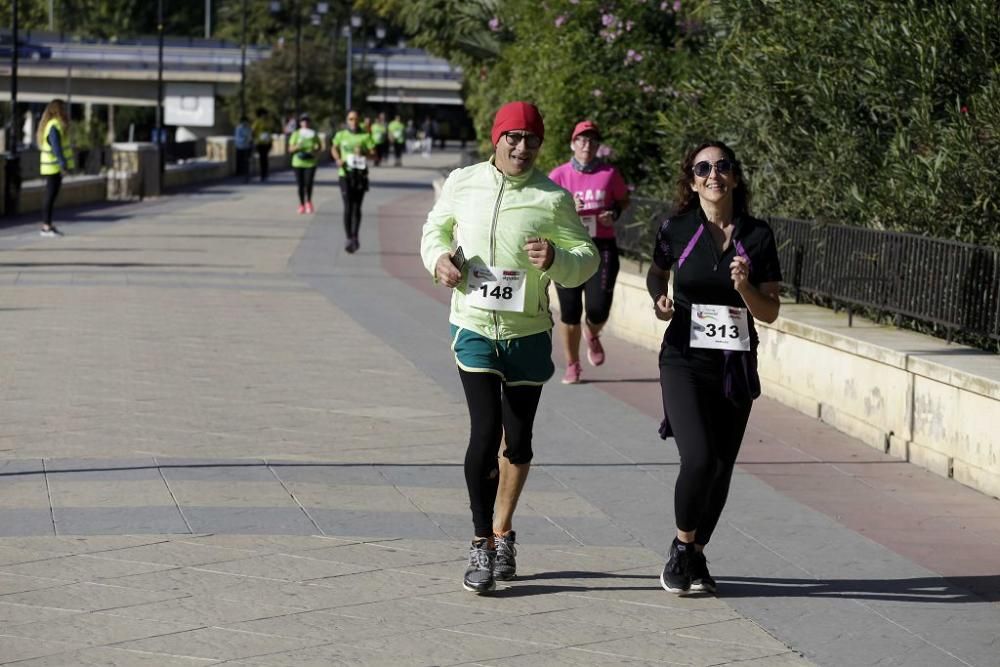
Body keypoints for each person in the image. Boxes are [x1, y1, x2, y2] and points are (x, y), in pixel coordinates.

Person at [420, 101, 599, 594]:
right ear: (496, 139)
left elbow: (587, 258)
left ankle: (502, 532)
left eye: (532, 140)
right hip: (474, 327)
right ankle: (480, 541)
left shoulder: (552, 198)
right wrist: (438, 259)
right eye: (513, 138)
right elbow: (434, 228)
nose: (522, 148)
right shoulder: (464, 182)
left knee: (516, 443)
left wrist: (559, 258)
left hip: (526, 334)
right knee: (485, 433)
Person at [646, 141, 782, 595]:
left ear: (735, 177)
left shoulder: (758, 235)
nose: (713, 174)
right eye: (703, 168)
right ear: (691, 181)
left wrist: (745, 288)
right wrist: (659, 299)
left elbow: (770, 312)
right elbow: (656, 271)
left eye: (722, 166)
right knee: (699, 457)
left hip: (735, 366)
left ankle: (696, 554)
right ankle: (682, 548)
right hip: (684, 358)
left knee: (721, 467)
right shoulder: (677, 228)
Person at [548, 120, 630, 384]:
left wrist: (612, 213)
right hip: (567, 248)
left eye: (593, 141)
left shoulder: (609, 174)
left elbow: (623, 200)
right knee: (569, 312)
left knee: (598, 309)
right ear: (573, 144)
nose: (587, 145)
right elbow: (544, 211)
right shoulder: (558, 176)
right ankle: (573, 365)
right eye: (582, 140)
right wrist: (567, 206)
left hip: (601, 246)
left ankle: (592, 332)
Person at [331, 110, 376, 253]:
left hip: (360, 176)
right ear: (347, 121)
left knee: (357, 207)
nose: (353, 122)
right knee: (347, 206)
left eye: (356, 119)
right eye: (351, 119)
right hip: (345, 174)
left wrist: (363, 152)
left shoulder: (365, 136)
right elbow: (333, 147)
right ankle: (348, 237)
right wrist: (338, 159)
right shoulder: (341, 135)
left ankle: (355, 235)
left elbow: (374, 154)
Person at [37, 99, 75, 237]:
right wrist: (62, 163)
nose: (66, 111)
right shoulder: (54, 126)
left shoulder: (53, 125)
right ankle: (46, 227)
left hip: (53, 166)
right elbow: (56, 146)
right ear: (57, 110)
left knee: (51, 196)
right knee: (50, 196)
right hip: (52, 166)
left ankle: (48, 225)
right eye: (63, 108)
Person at [288, 113, 321, 214]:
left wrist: (315, 148)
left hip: (310, 162)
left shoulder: (313, 134)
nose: (305, 123)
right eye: (303, 121)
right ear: (300, 123)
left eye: (307, 121)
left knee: (309, 183)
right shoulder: (296, 134)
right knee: (300, 185)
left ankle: (309, 202)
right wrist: (297, 147)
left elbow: (319, 147)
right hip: (298, 162)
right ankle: (301, 204)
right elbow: (290, 149)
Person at [251, 108, 274, 182]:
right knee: (262, 159)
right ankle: (262, 174)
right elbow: (253, 131)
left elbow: (270, 131)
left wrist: (270, 141)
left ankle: (265, 174)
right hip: (260, 143)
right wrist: (254, 139)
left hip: (267, 142)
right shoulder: (257, 122)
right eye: (264, 114)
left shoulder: (268, 121)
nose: (265, 115)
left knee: (265, 159)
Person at [234, 116, 253, 183]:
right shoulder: (239, 128)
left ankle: (246, 176)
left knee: (246, 162)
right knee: (240, 161)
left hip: (247, 147)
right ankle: (240, 175)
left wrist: (250, 141)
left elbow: (250, 136)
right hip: (240, 147)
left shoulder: (248, 128)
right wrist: (243, 139)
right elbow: (237, 137)